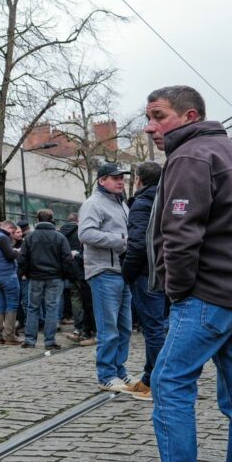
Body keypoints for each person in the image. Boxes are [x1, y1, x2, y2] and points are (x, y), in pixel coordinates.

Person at [144, 85, 232, 462]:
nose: (151, 127)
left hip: (209, 293)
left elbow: (181, 232)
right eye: (148, 118)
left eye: (159, 116)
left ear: (190, 117)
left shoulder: (191, 155)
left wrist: (178, 289)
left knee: (168, 383)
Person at [78, 162, 135, 392]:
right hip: (103, 272)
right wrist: (121, 240)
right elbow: (85, 233)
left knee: (125, 327)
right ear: (102, 180)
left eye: (122, 177)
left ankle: (119, 369)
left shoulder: (121, 203)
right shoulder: (93, 204)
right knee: (108, 328)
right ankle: (106, 374)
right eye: (115, 177)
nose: (120, 180)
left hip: (122, 272)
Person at [120, 161, 167, 402]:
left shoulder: (141, 203)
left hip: (146, 273)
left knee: (154, 329)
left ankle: (156, 383)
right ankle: (150, 378)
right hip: (165, 270)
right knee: (158, 327)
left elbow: (137, 243)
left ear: (139, 179)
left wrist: (127, 271)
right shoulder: (164, 198)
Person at [18, 209, 72, 350]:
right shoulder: (59, 237)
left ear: (37, 219)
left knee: (32, 308)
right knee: (52, 308)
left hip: (35, 277)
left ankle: (30, 340)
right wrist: (65, 274)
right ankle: (49, 340)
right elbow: (67, 259)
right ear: (52, 219)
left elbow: (23, 258)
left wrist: (24, 273)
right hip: (54, 277)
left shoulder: (29, 237)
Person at [60, 213, 96, 346]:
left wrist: (76, 256)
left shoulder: (63, 234)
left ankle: (83, 330)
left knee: (83, 302)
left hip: (77, 271)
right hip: (84, 273)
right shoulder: (83, 234)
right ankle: (85, 331)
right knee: (86, 303)